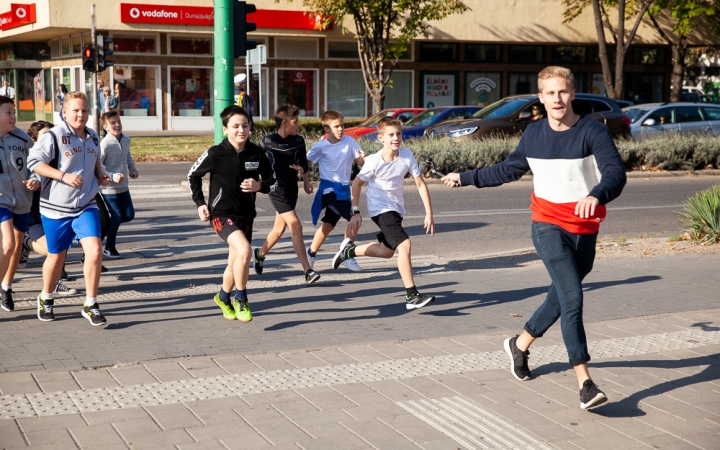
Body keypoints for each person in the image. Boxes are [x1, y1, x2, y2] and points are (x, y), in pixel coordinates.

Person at [441, 66, 627, 410]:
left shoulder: (591, 131)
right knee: (573, 297)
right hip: (546, 224)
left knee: (560, 296)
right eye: (550, 93)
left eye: (563, 92)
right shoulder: (534, 134)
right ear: (540, 98)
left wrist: (597, 195)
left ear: (572, 94)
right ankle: (585, 383)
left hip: (584, 228)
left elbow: (616, 173)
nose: (557, 99)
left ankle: (520, 343)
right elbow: (508, 169)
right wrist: (465, 177)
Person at [331, 117, 436, 310]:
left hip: (396, 209)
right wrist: (355, 211)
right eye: (391, 135)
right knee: (404, 245)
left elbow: (420, 183)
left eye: (399, 133)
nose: (396, 138)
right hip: (380, 209)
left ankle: (349, 251)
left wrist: (429, 213)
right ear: (381, 138)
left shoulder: (407, 155)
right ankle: (411, 295)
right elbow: (356, 184)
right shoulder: (373, 161)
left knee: (387, 251)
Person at [28, 91, 111, 326]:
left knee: (95, 250)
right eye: (75, 110)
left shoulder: (93, 136)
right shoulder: (54, 136)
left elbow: (95, 160)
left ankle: (91, 304)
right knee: (56, 257)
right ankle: (46, 297)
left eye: (84, 110)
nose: (81, 114)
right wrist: (63, 176)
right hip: (56, 208)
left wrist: (101, 174)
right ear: (64, 112)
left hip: (86, 204)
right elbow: (35, 162)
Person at [188, 105, 274, 322]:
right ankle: (241, 298)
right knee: (245, 251)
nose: (241, 130)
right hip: (221, 214)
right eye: (235, 126)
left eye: (245, 126)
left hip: (246, 216)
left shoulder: (257, 153)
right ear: (225, 129)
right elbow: (192, 175)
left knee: (235, 262)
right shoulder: (215, 153)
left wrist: (259, 186)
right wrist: (200, 203)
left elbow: (273, 181)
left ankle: (223, 296)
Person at [253, 104, 320, 284]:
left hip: (291, 189)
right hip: (275, 189)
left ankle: (260, 254)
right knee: (296, 226)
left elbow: (303, 165)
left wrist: (305, 181)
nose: (298, 125)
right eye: (295, 122)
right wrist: (257, 184)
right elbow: (256, 164)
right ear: (284, 123)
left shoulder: (298, 141)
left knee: (278, 229)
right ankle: (308, 271)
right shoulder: (266, 142)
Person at [18, 120, 77, 296]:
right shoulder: (31, 159)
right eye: (45, 136)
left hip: (54, 210)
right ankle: (26, 243)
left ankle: (55, 281)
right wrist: (33, 182)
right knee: (52, 249)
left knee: (61, 247)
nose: (50, 140)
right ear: (34, 140)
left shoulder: (60, 159)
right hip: (32, 213)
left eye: (53, 136)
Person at [306, 109, 365, 272]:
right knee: (355, 219)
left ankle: (310, 253)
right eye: (336, 126)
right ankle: (346, 254)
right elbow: (307, 162)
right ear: (326, 129)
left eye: (342, 126)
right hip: (329, 190)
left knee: (328, 225)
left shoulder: (349, 142)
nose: (341, 129)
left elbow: (359, 161)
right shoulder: (320, 146)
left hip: (344, 190)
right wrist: (305, 179)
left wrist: (363, 159)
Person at [0, 96, 37, 312]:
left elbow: (36, 163)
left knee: (13, 247)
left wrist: (36, 178)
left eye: (14, 112)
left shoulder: (23, 139)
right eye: (8, 113)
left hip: (23, 201)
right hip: (1, 201)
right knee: (8, 244)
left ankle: (6, 286)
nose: (14, 117)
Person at [98, 111, 137, 259]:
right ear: (106, 127)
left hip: (123, 186)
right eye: (113, 123)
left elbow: (127, 156)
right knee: (117, 215)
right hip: (108, 187)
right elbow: (98, 165)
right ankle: (109, 247)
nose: (117, 125)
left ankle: (108, 229)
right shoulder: (105, 144)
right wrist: (112, 176)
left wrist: (132, 169)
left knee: (128, 215)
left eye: (118, 122)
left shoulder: (126, 140)